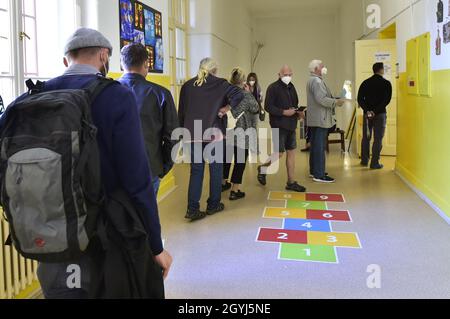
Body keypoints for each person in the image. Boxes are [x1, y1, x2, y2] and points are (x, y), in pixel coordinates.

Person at [2, 28, 172, 298]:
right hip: (105, 235)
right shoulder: (116, 96)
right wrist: (155, 245)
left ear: (65, 61)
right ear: (104, 56)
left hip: (51, 232)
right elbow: (137, 179)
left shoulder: (30, 99)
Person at [178, 58, 244, 221]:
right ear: (214, 70)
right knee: (215, 169)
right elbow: (239, 94)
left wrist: (181, 134)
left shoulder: (187, 86)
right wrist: (225, 109)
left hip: (192, 133)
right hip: (214, 132)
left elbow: (182, 112)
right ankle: (213, 205)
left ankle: (192, 209)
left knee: (196, 170)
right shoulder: (220, 83)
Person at [119, 43, 179, 196]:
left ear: (122, 64)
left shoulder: (106, 92)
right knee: (146, 217)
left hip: (115, 171)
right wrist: (163, 167)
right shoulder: (161, 94)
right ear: (146, 64)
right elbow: (173, 136)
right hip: (149, 168)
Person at [257, 65, 306, 193]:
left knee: (291, 153)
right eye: (285, 74)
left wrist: (298, 113)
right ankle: (263, 168)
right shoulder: (272, 88)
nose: (287, 77)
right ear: (279, 75)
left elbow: (294, 105)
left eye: (290, 74)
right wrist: (284, 112)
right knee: (279, 153)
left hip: (291, 125)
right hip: (278, 125)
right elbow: (268, 107)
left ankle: (291, 182)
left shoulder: (292, 87)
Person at [222, 68, 260, 200]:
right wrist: (249, 92)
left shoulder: (226, 92)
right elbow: (256, 108)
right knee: (240, 161)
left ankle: (223, 182)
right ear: (243, 81)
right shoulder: (245, 94)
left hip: (227, 130)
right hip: (242, 131)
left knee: (226, 158)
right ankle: (235, 189)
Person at [306, 60, 345, 183]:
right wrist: (336, 102)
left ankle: (314, 171)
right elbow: (321, 99)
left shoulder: (314, 80)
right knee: (319, 147)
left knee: (315, 146)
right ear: (316, 68)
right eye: (322, 66)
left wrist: (336, 97)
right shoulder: (316, 81)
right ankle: (319, 174)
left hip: (316, 118)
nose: (324, 68)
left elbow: (323, 97)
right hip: (320, 119)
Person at [357, 62, 392, 169]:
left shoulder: (365, 83)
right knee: (378, 139)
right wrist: (375, 111)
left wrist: (367, 110)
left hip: (367, 115)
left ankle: (364, 160)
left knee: (366, 137)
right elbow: (387, 100)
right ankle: (374, 163)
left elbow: (359, 99)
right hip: (380, 114)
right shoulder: (386, 83)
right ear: (381, 70)